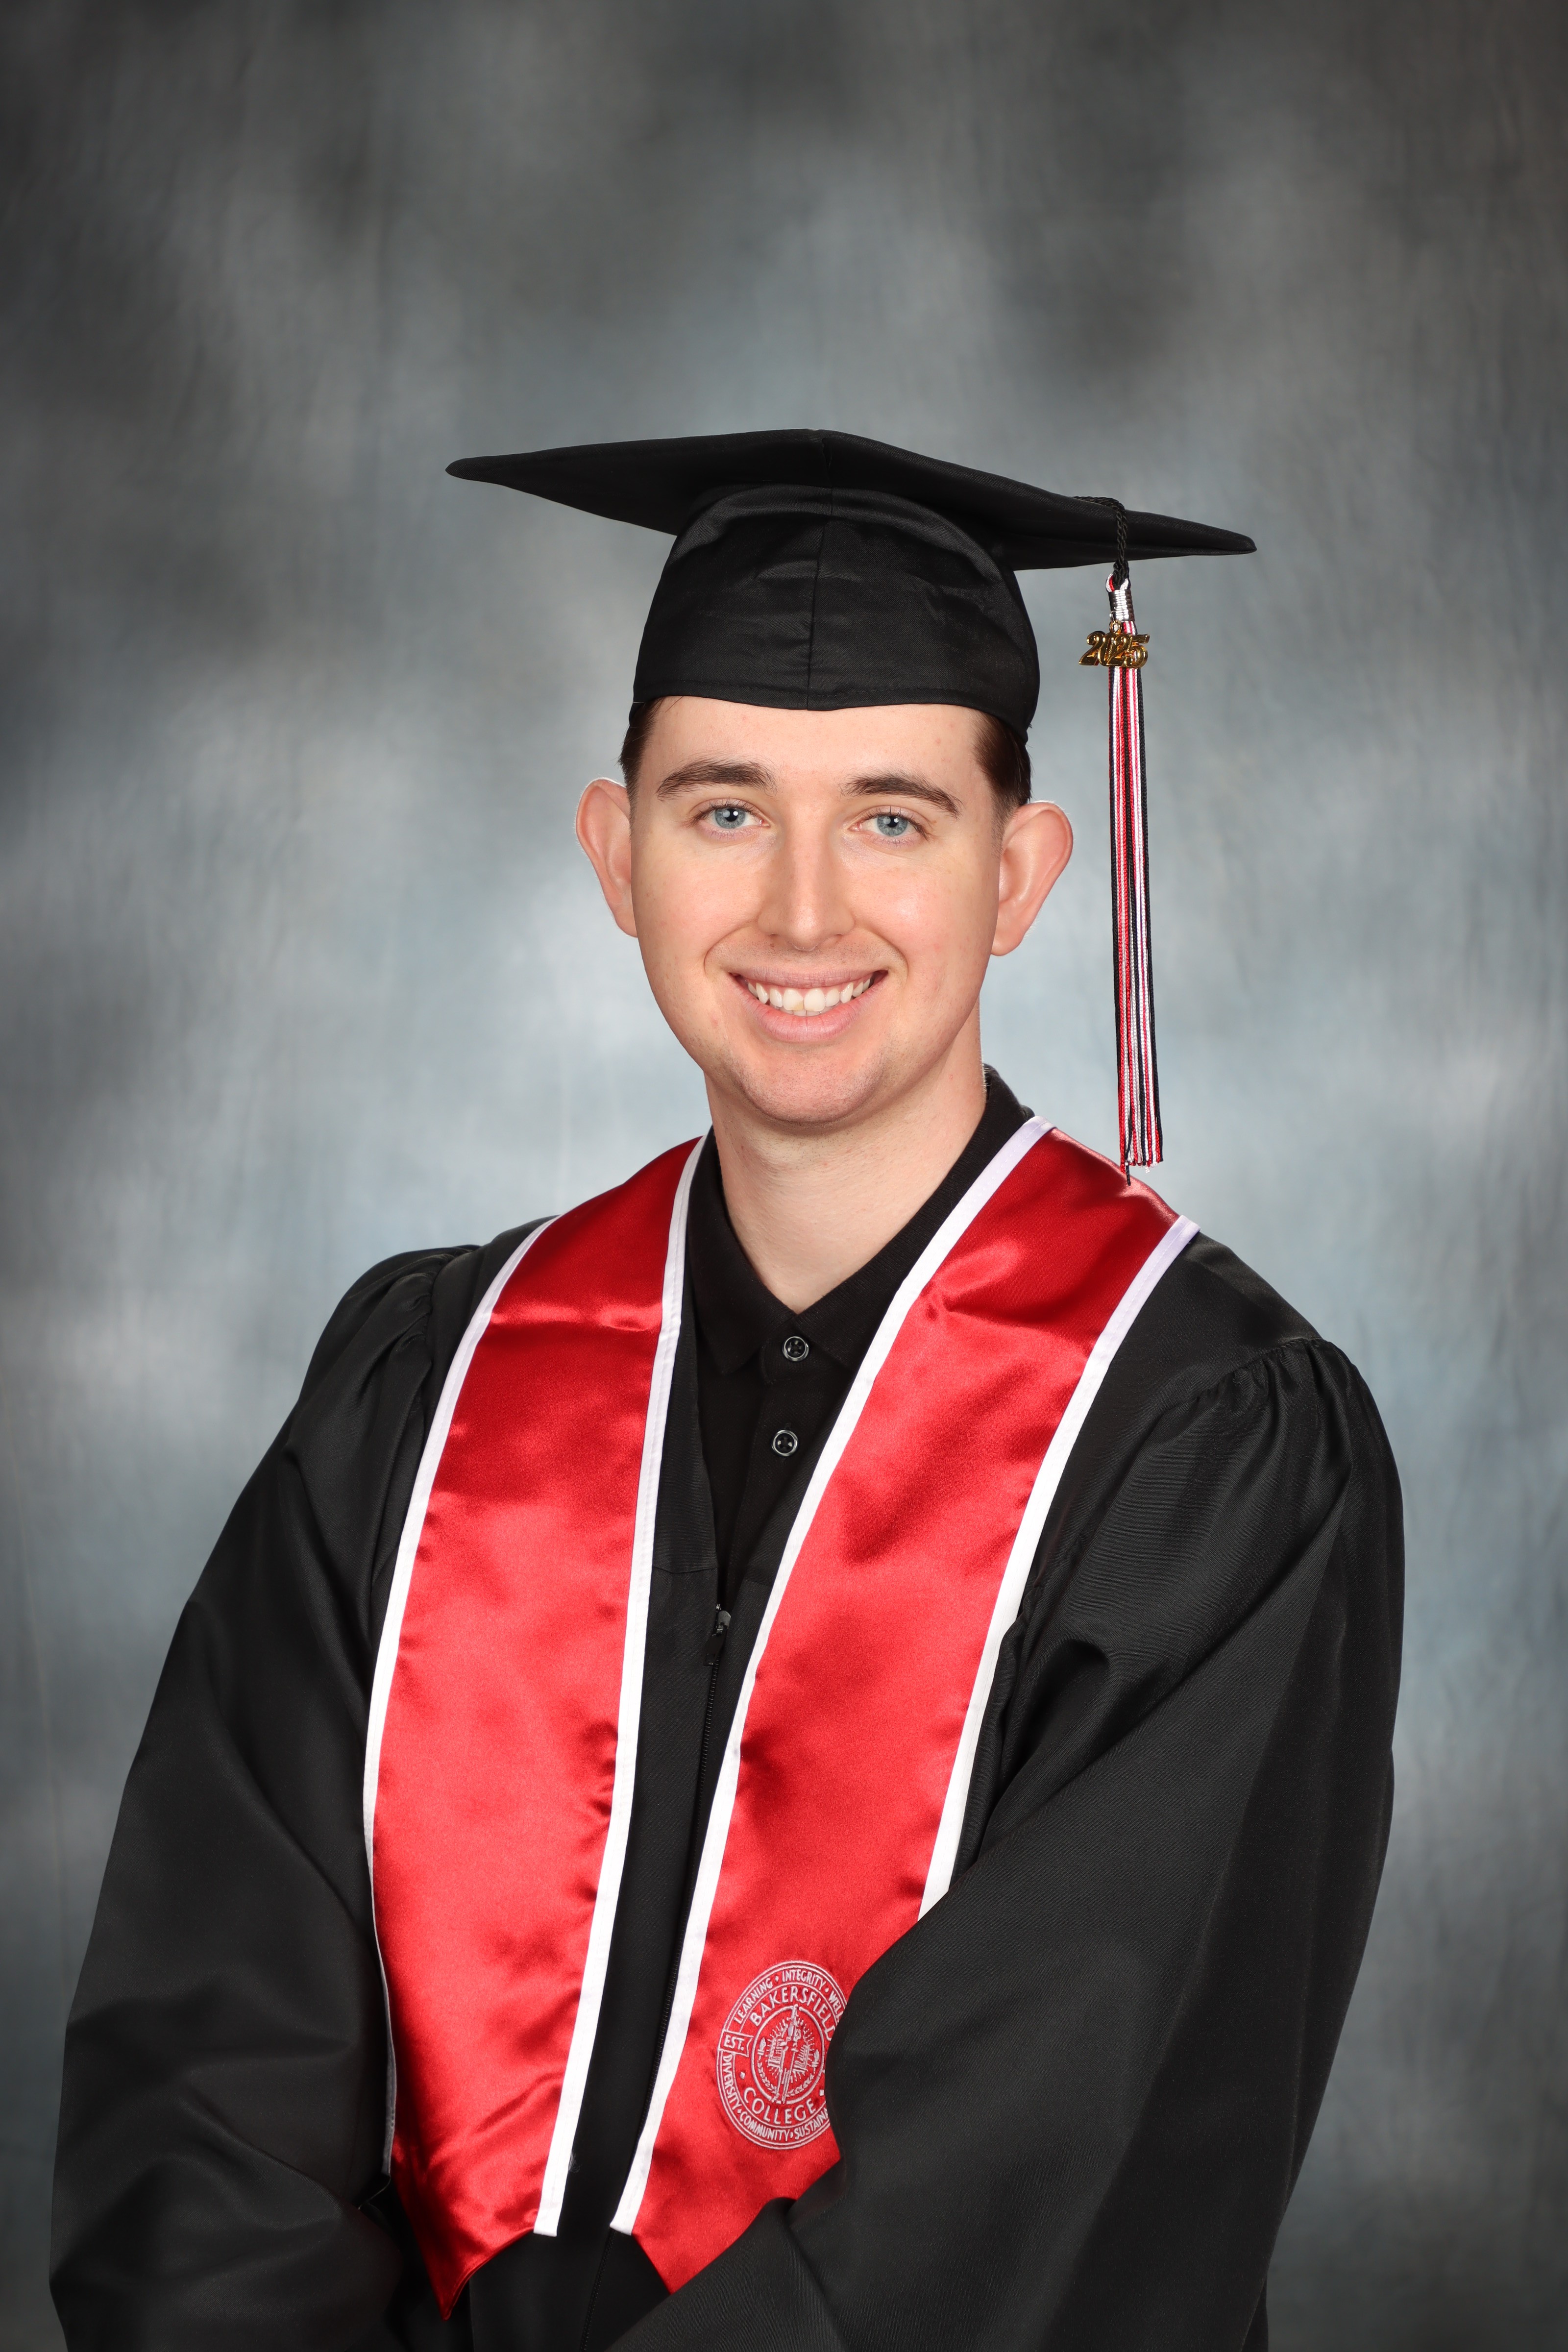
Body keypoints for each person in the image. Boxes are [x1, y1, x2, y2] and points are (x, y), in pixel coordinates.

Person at [50, 432, 1402, 2352]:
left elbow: (1050, 2191)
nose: (798, 912)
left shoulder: (1201, 1442)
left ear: (1021, 874)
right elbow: (202, 2088)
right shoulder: (424, 1386)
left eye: (892, 819)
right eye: (723, 810)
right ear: (616, 856)